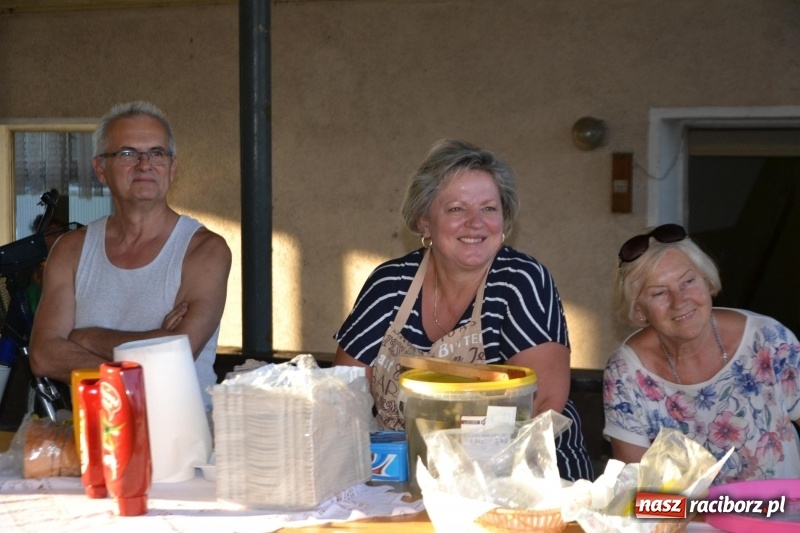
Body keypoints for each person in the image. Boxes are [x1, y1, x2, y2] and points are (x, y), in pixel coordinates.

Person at [333, 138, 593, 481]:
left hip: (523, 479)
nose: (476, 223)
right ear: (425, 221)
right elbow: (342, 393)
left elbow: (543, 403)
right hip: (402, 478)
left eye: (489, 208)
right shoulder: (390, 283)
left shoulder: (520, 279)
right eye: (457, 209)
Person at [29, 101, 232, 412]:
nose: (144, 164)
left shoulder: (204, 250)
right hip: (90, 437)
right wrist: (151, 349)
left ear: (172, 168)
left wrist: (84, 336)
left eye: (157, 153)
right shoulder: (71, 249)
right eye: (127, 153)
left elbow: (176, 356)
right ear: (100, 169)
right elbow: (44, 355)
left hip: (179, 440)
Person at [604, 223, 800, 483]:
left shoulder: (768, 340)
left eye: (688, 281)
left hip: (779, 518)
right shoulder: (626, 372)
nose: (679, 300)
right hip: (685, 522)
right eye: (659, 292)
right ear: (639, 311)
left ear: (708, 283)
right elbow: (635, 484)